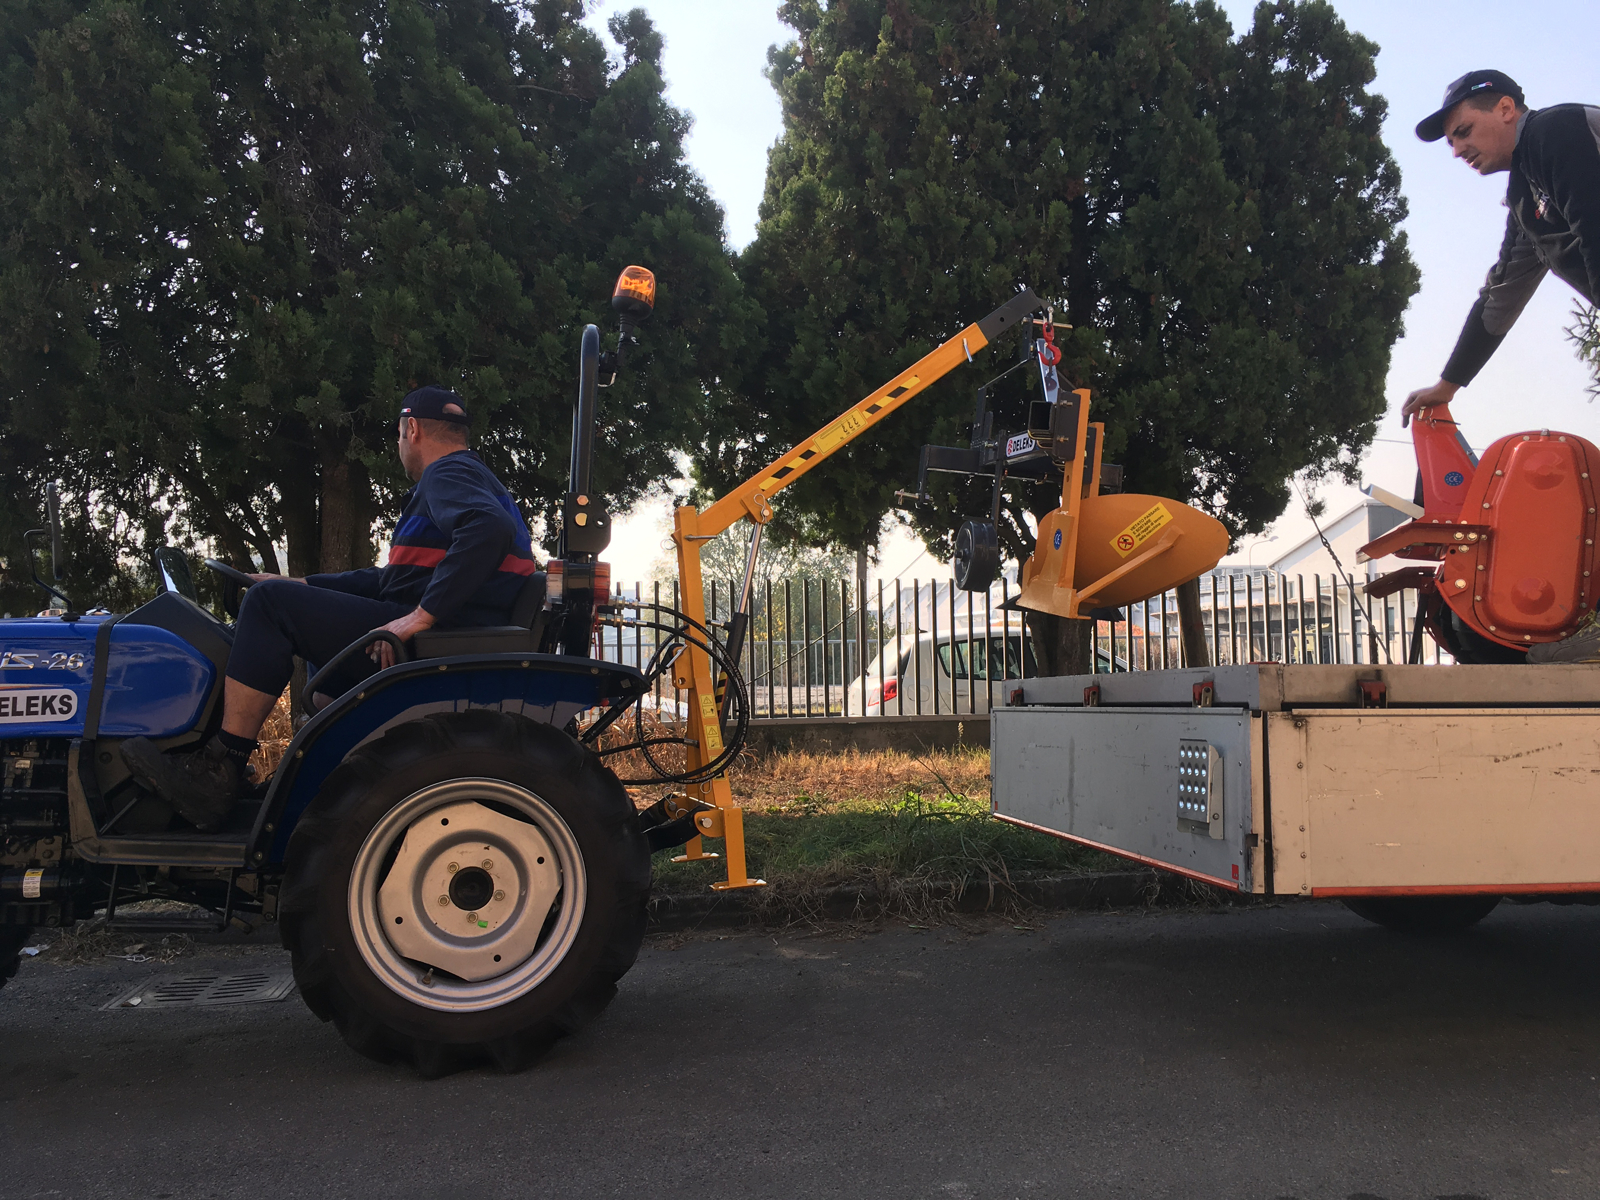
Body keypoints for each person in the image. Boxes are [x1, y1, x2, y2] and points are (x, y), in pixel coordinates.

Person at [121, 386, 538, 828]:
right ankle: (318, 780)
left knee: (268, 606)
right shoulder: (471, 478)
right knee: (287, 613)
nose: (399, 445)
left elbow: (486, 528)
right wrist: (300, 584)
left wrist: (419, 618)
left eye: (398, 435)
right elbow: (391, 580)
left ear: (412, 429)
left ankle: (218, 769)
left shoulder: (448, 474)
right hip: (454, 630)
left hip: (439, 640)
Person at [1401, 71, 1600, 662]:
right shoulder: (1525, 197)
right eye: (1451, 141)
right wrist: (1448, 385)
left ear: (1507, 108)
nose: (1457, 149)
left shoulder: (1560, 132)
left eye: (1464, 131)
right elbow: (1502, 293)